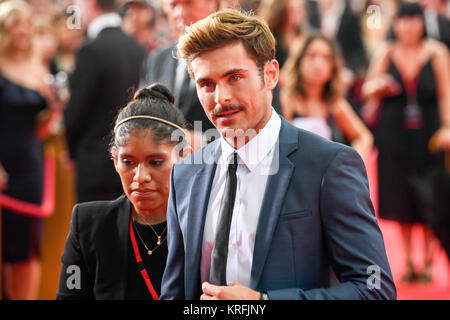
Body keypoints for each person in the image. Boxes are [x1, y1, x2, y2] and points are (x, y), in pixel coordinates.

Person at [160, 8, 396, 300]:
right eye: (206, 84)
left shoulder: (328, 165)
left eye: (234, 78)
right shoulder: (185, 175)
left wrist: (263, 303)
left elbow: (375, 287)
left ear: (270, 74)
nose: (220, 98)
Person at [57, 83, 191, 299]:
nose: (140, 177)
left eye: (156, 162)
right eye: (128, 162)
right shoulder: (89, 224)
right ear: (115, 159)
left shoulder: (204, 224)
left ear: (185, 156)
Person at [361, 2, 450, 283]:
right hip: (394, 133)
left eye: (414, 20)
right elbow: (368, 91)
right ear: (395, 24)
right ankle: (410, 261)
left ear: (422, 23)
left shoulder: (436, 52)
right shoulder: (386, 52)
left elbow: (446, 93)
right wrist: (379, 86)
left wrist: (448, 128)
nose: (409, 27)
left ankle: (426, 261)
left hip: (430, 133)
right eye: (403, 20)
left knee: (431, 195)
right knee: (401, 196)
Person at [0, 0, 61, 299]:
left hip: (30, 167)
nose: (23, 31)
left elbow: (40, 125)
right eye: (15, 25)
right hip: (2, 164)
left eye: (27, 24)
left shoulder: (37, 65)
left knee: (27, 247)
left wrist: (53, 109)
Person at [64, 0, 146, 203]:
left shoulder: (89, 50)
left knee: (92, 233)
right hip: (131, 162)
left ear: (90, 3)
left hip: (93, 168)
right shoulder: (137, 47)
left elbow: (76, 112)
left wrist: (71, 151)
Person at [139, 0, 220, 147]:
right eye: (173, 5)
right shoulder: (157, 59)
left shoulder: (233, 55)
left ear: (212, 3)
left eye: (188, 2)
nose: (179, 13)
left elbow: (255, 134)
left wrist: (202, 142)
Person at [281, 34, 373, 161]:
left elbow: (364, 137)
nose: (318, 64)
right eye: (312, 56)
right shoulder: (286, 100)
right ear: (299, 60)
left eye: (326, 58)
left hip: (327, 178)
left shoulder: (334, 103)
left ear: (333, 66)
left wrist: (348, 164)